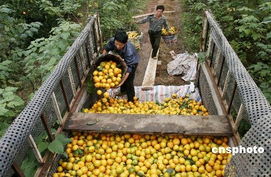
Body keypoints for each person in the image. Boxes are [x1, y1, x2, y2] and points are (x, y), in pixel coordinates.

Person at [102, 30, 139, 102]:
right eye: (116, 44)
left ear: (125, 43)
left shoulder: (129, 52)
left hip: (132, 62)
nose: (118, 46)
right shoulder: (113, 41)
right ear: (115, 40)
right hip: (122, 59)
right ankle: (123, 91)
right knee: (120, 74)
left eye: (120, 45)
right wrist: (103, 59)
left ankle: (131, 100)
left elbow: (128, 70)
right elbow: (106, 49)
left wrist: (120, 84)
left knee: (129, 81)